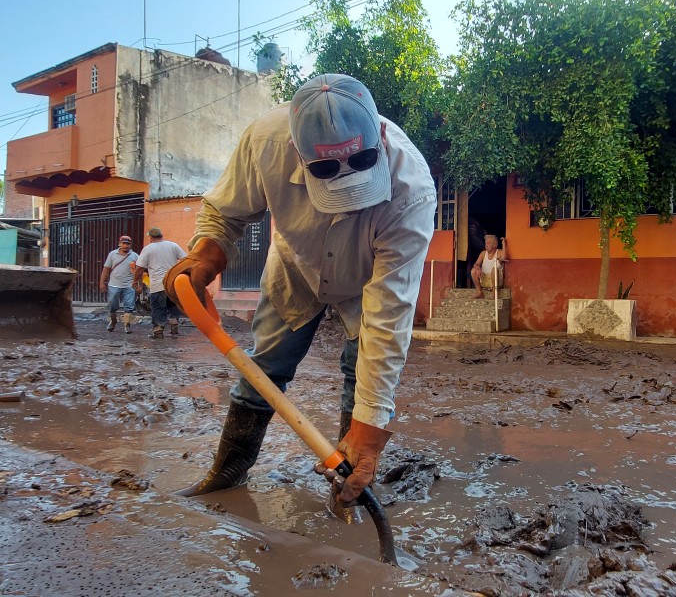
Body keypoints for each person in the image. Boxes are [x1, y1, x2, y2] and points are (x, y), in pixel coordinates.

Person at [164, 73, 436, 506]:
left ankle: (349, 487)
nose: (346, 184)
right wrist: (209, 249)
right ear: (298, 152)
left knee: (360, 374)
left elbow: (389, 318)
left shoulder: (411, 191)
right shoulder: (265, 143)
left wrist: (370, 426)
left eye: (363, 163)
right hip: (296, 267)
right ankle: (228, 470)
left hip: (365, 283)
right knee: (264, 366)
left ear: (380, 135)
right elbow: (223, 208)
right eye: (326, 170)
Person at [133, 228, 187, 338]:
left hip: (157, 284)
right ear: (161, 235)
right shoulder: (173, 245)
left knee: (158, 307)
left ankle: (158, 330)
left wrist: (135, 281)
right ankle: (173, 321)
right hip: (172, 284)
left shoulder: (148, 249)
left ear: (151, 237)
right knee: (173, 305)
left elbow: (139, 268)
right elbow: (186, 260)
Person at [99, 235, 138, 333]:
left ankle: (127, 325)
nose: (125, 246)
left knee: (129, 306)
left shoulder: (135, 256)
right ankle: (113, 321)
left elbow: (139, 272)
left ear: (130, 245)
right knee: (112, 305)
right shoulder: (112, 254)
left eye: (128, 244)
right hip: (114, 284)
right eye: (124, 244)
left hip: (129, 285)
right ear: (120, 244)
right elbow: (106, 269)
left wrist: (138, 284)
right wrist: (102, 283)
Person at [470, 234, 508, 299]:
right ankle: (479, 292)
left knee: (494, 269)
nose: (486, 244)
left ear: (494, 245)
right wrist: (478, 268)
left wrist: (503, 244)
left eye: (488, 243)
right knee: (473, 270)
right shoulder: (483, 253)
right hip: (485, 281)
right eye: (485, 243)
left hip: (496, 282)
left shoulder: (498, 252)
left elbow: (504, 257)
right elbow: (476, 264)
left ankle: (494, 293)